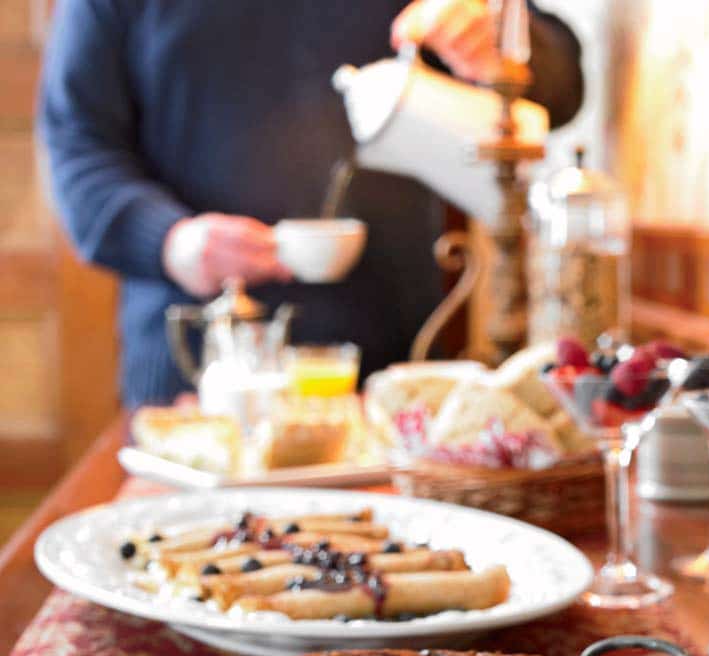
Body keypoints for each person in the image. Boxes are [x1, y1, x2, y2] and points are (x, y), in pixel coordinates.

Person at [40, 0, 584, 407]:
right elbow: (75, 144)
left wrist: (497, 28)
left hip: (392, 382)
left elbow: (561, 88)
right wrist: (168, 240)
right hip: (200, 378)